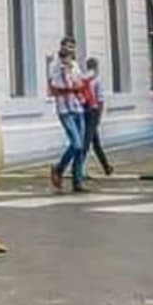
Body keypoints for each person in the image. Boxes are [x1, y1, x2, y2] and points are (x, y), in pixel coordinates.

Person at [48, 36, 87, 194]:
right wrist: (65, 74)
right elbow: (54, 86)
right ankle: (59, 168)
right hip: (64, 109)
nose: (69, 50)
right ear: (62, 47)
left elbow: (80, 83)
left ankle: (78, 180)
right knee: (76, 143)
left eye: (72, 47)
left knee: (80, 147)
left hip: (77, 107)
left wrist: (76, 83)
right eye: (66, 46)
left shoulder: (75, 65)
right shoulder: (55, 65)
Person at [81, 57, 113, 177]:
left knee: (95, 141)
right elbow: (100, 100)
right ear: (96, 67)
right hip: (93, 111)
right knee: (87, 140)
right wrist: (99, 115)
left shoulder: (83, 78)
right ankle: (79, 168)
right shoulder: (97, 79)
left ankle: (106, 167)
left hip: (85, 110)